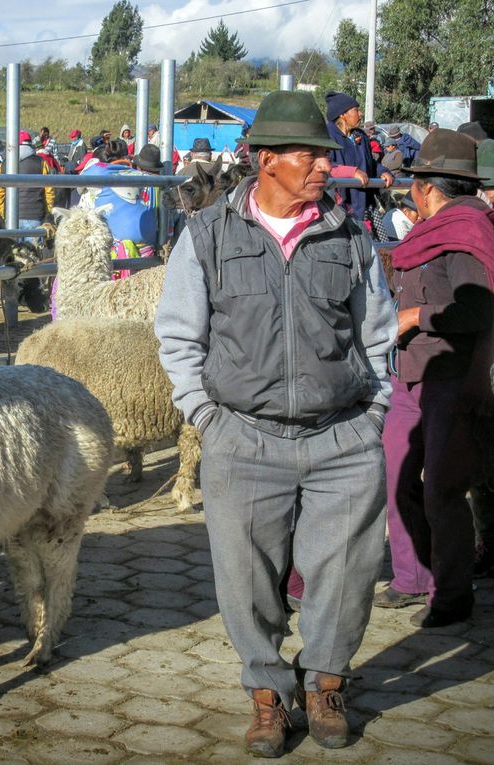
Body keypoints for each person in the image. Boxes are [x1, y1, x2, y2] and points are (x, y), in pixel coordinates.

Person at [155, 90, 398, 758]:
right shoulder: (207, 235)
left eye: (325, 153)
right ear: (264, 160)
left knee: (346, 573)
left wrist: (374, 412)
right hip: (243, 436)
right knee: (246, 580)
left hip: (342, 435)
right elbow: (179, 336)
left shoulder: (350, 235)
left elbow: (378, 333)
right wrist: (207, 418)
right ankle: (267, 693)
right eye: (309, 154)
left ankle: (324, 681)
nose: (325, 166)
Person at [376, 129, 494, 628]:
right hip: (412, 374)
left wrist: (416, 316)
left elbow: (477, 307)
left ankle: (451, 593)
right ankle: (411, 576)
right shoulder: (435, 231)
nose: (410, 195)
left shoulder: (466, 235)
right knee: (397, 474)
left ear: (429, 188)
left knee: (441, 488)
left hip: (450, 377)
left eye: (414, 184)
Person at [325, 91, 394, 225]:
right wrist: (352, 172)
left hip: (365, 204)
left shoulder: (361, 136)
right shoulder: (327, 136)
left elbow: (370, 163)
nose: (360, 114)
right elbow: (325, 166)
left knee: (373, 244)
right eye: (356, 110)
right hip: (340, 207)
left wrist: (383, 172)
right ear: (343, 114)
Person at [0, 131, 54, 244]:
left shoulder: (4, 164)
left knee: (15, 255)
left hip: (11, 216)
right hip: (35, 216)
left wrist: (3, 213)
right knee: (34, 256)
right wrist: (48, 211)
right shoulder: (41, 162)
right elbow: (49, 191)